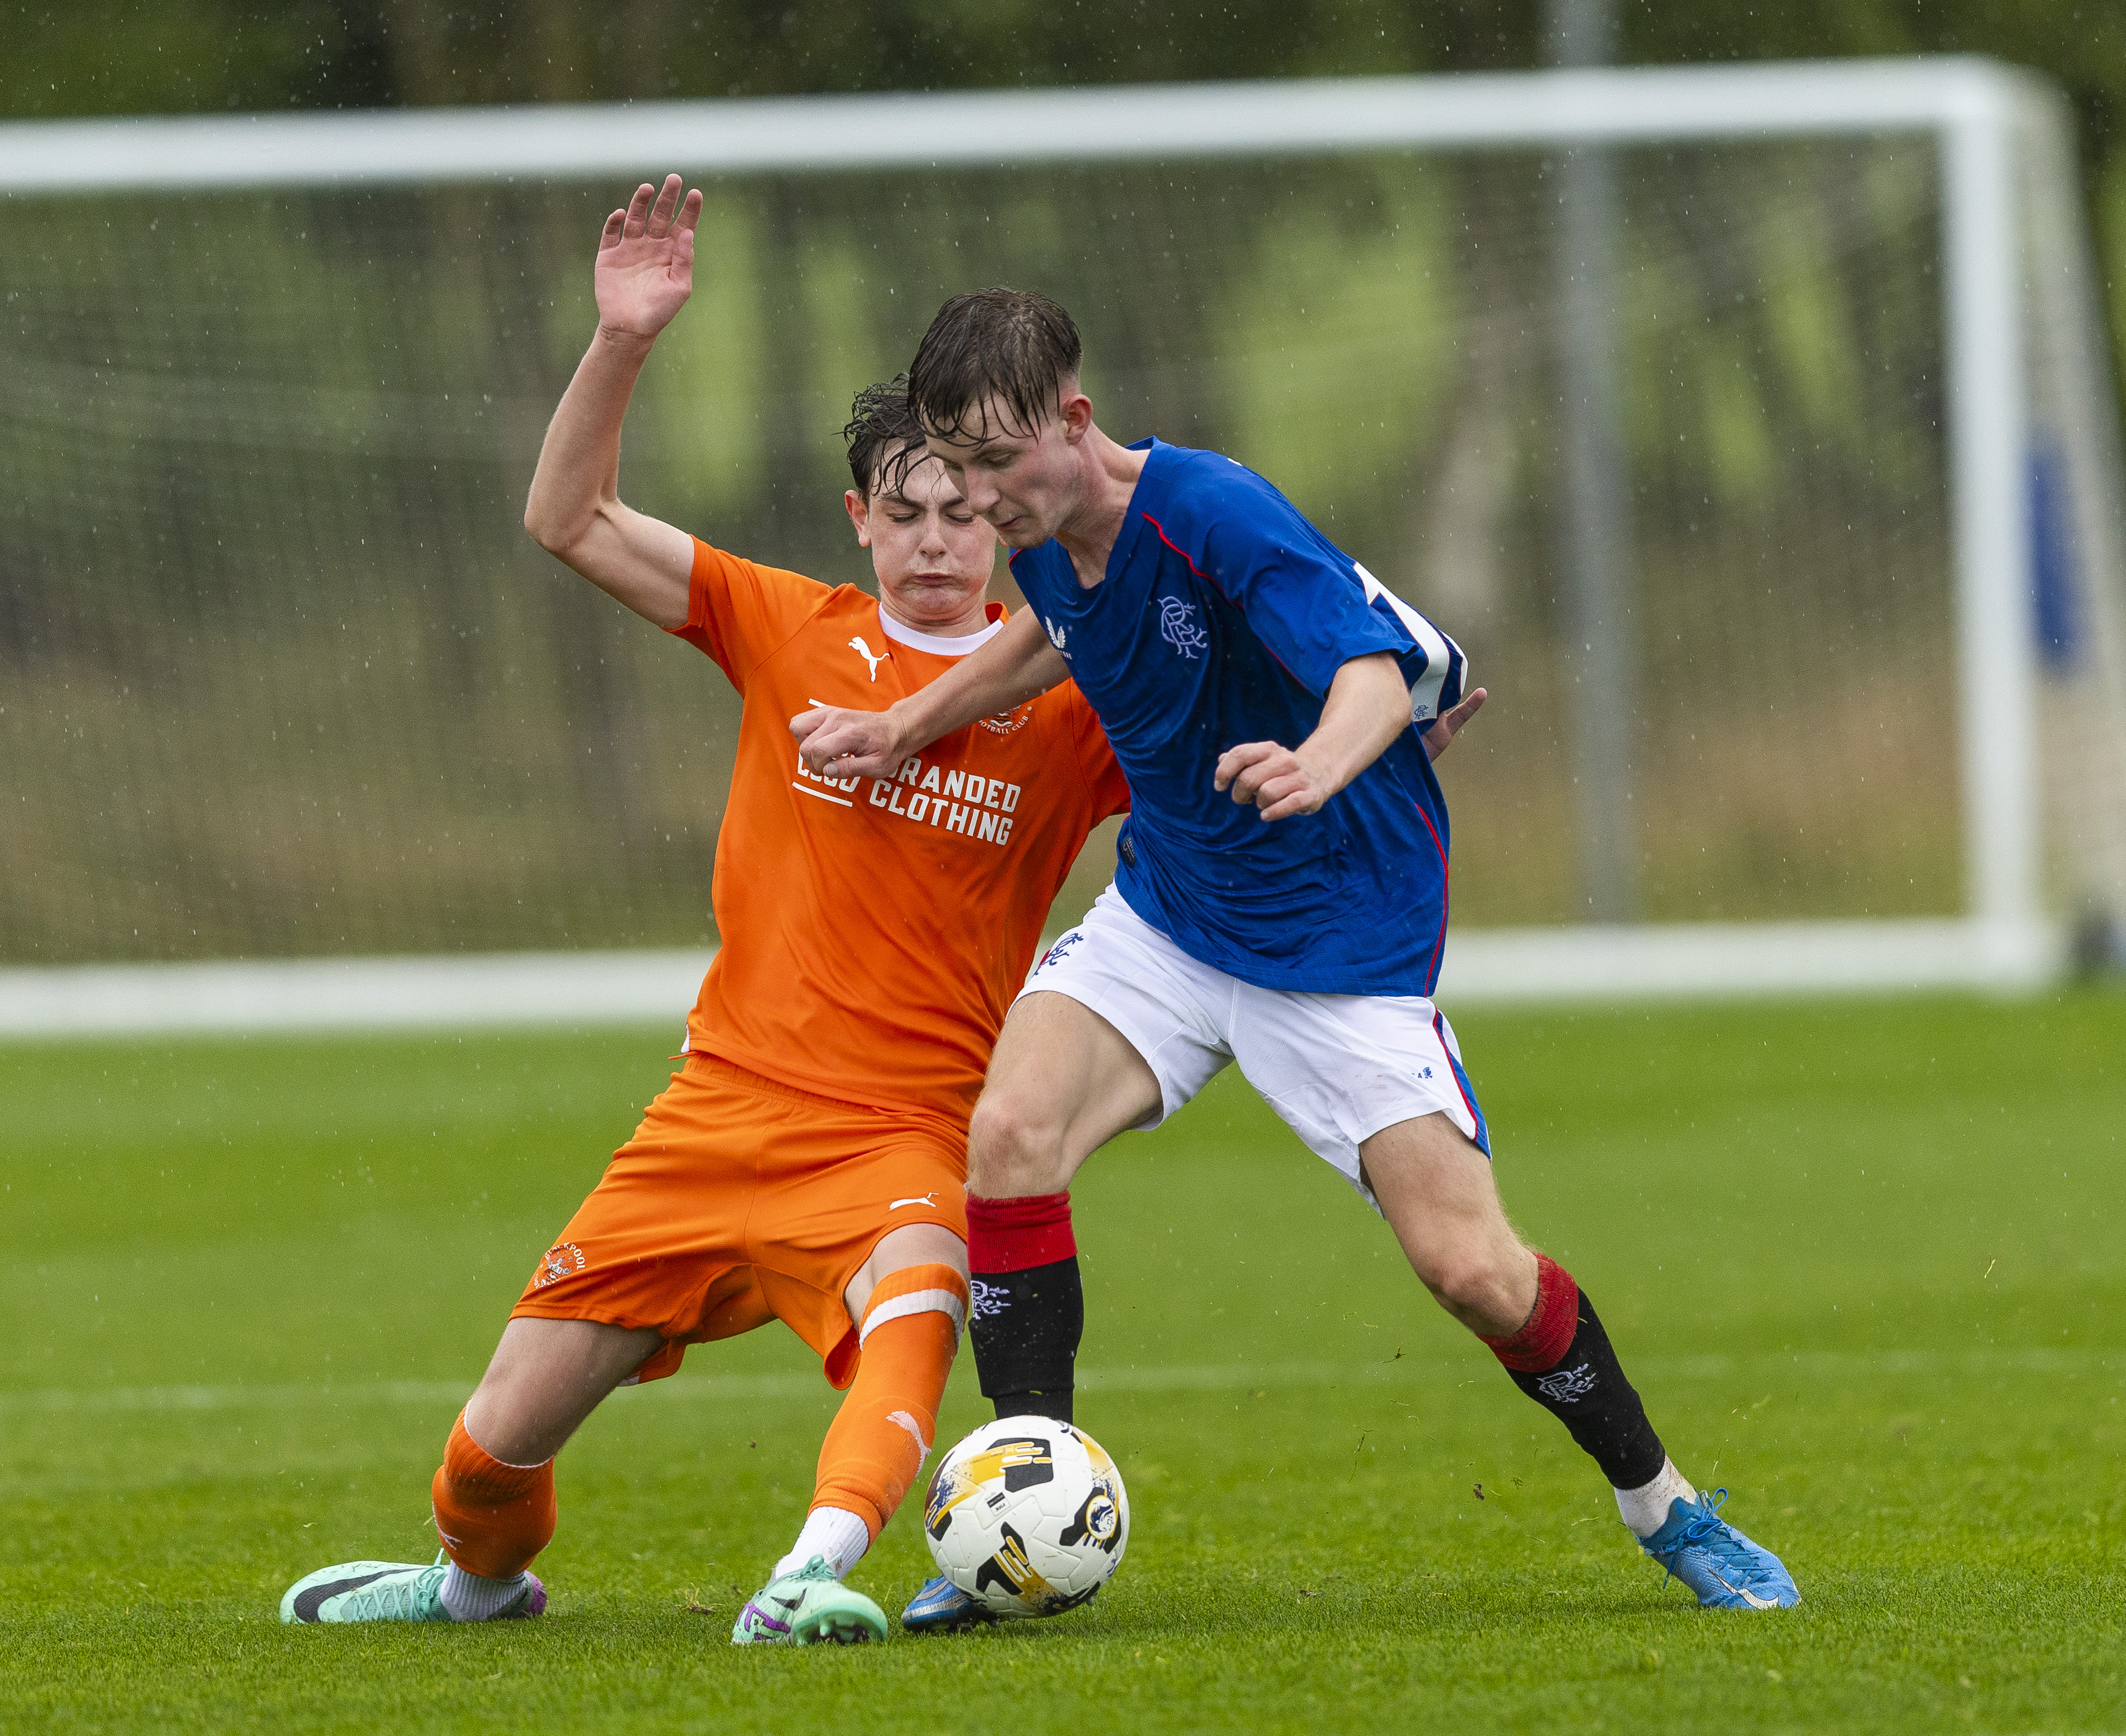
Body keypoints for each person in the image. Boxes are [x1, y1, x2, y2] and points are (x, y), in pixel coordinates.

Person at [794, 287, 1801, 1621]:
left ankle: (1663, 1505)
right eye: (956, 468)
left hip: (1337, 944)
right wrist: (908, 722)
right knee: (1009, 1139)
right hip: (1168, 918)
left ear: (1074, 422)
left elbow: (1376, 673)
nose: (975, 503)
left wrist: (1316, 767)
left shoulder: (1210, 510)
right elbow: (1049, 631)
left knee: (1471, 1272)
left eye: (992, 464)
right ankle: (1017, 1524)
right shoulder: (1036, 532)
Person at [277, 177, 1133, 1645]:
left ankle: (813, 1571)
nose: (937, 541)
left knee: (922, 1314)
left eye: (963, 514)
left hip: (898, 1135)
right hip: (712, 1117)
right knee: (491, 1450)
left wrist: (1365, 741)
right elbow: (565, 516)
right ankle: (478, 1586)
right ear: (860, 519)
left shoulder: (1065, 697)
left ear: (998, 519)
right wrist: (622, 339)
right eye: (905, 512)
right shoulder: (784, 625)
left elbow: (1219, 746)